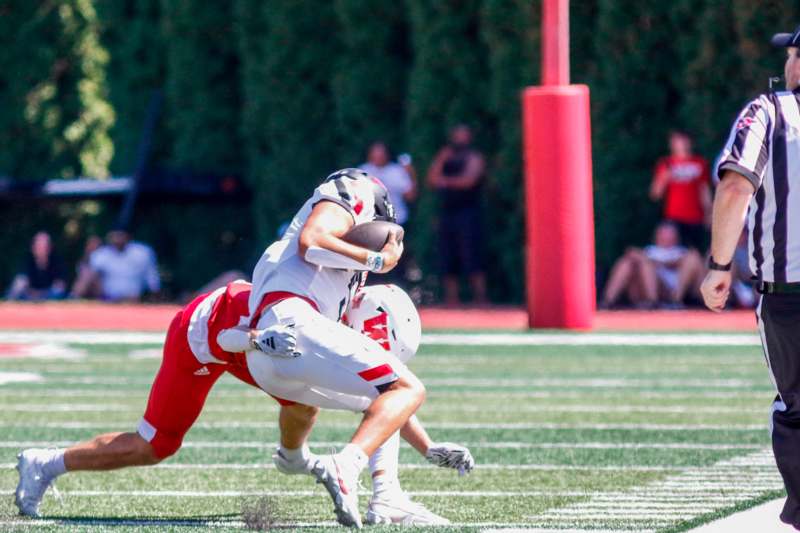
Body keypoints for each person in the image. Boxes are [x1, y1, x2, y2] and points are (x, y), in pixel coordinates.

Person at [14, 280, 472, 525]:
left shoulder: (339, 309)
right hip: (206, 336)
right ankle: (46, 463)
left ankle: (296, 461)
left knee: (312, 404)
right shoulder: (316, 308)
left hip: (257, 354)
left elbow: (385, 397)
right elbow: (232, 331)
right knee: (154, 445)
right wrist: (256, 338)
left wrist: (427, 448)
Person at [242, 167, 442, 526]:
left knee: (383, 401)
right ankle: (345, 465)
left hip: (272, 360)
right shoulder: (356, 186)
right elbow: (314, 242)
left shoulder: (328, 277)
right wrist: (380, 260)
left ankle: (387, 498)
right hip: (294, 325)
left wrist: (428, 447)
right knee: (408, 388)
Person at [701, 25, 800, 528]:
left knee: (797, 409)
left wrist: (720, 267)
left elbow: (737, 183)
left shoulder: (771, 111)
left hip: (789, 292)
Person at [427, 124, 488, 305]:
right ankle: (451, 300)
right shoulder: (445, 155)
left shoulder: (474, 157)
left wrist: (445, 182)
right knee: (447, 255)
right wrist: (441, 159)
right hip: (447, 214)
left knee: (472, 254)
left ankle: (481, 299)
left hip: (469, 213)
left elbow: (468, 181)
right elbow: (432, 179)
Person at [601, 221, 705, 309]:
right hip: (641, 288)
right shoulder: (649, 250)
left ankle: (665, 301)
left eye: (669, 233)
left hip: (668, 291)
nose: (666, 236)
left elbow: (680, 263)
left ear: (676, 236)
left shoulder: (681, 251)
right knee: (627, 262)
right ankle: (607, 300)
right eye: (663, 233)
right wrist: (638, 257)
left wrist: (648, 260)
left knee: (646, 264)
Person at [650, 130, 712, 251]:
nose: (680, 144)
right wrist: (664, 178)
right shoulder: (666, 163)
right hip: (673, 216)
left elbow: (704, 190)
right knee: (674, 252)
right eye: (676, 142)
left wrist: (708, 212)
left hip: (696, 217)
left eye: (683, 141)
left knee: (696, 252)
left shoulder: (700, 163)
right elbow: (655, 194)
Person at [71, 228, 160, 302]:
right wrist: (88, 252)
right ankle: (73, 298)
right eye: (114, 236)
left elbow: (152, 277)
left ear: (127, 236)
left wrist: (154, 295)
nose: (117, 239)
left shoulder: (142, 252)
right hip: (107, 297)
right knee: (88, 273)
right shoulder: (102, 254)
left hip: (134, 297)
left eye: (120, 235)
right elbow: (86, 274)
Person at [360, 141, 417, 227]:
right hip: (370, 222)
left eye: (381, 155)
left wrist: (411, 174)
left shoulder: (397, 171)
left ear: (387, 155)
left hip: (397, 220)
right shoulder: (363, 171)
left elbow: (410, 196)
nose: (378, 158)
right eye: (375, 154)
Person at [6, 231, 66, 301]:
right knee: (19, 284)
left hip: (49, 298)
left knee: (57, 292)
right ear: (33, 247)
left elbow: (59, 286)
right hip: (28, 297)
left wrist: (40, 295)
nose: (41, 249)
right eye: (38, 246)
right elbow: (21, 283)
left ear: (50, 248)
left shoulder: (57, 262)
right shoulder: (27, 261)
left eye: (44, 246)